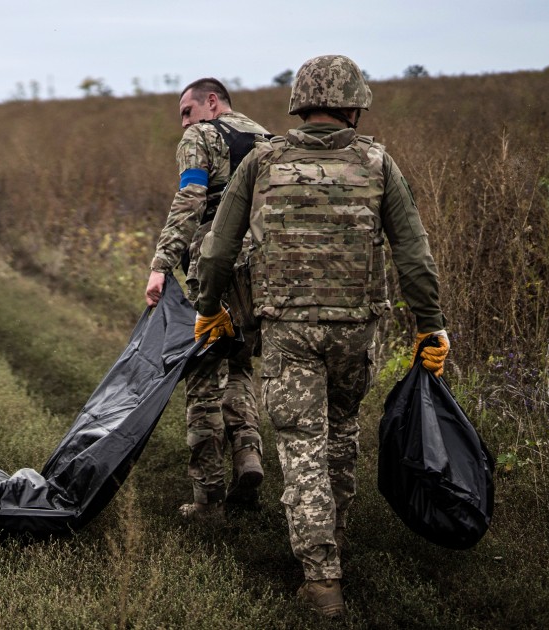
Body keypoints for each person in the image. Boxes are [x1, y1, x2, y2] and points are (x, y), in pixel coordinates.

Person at [192, 55, 448, 618]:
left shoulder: (261, 161)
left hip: (287, 330)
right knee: (341, 432)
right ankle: (335, 544)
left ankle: (321, 576)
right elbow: (414, 254)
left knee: (300, 442)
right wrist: (431, 325)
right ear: (355, 105)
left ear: (299, 104)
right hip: (359, 330)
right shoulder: (379, 163)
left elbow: (216, 251)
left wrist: (209, 310)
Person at [144, 78, 269, 518]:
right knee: (239, 365)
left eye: (186, 111)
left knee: (201, 376)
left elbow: (190, 198)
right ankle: (249, 456)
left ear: (211, 102)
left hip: (215, 270)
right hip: (263, 276)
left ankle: (209, 499)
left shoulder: (201, 136)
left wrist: (161, 264)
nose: (183, 123)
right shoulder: (268, 141)